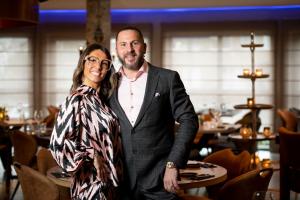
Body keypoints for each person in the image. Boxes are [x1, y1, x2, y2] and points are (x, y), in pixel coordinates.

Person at [109, 26, 199, 199]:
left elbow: (189, 120)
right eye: (123, 44)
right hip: (120, 182)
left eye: (134, 43)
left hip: (160, 180)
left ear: (144, 47)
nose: (129, 49)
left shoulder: (167, 78)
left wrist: (173, 165)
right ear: (117, 50)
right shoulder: (108, 84)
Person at [49, 43, 123, 200]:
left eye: (105, 63)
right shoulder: (76, 99)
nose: (99, 66)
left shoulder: (101, 101)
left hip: (109, 186)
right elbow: (57, 145)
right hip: (90, 187)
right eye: (92, 60)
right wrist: (91, 154)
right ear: (83, 63)